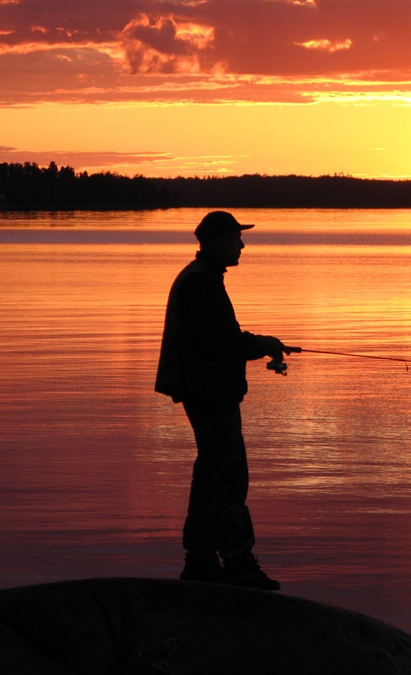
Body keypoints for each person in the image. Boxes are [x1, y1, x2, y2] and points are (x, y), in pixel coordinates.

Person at [155, 211, 297, 590]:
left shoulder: (203, 278)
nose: (243, 245)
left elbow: (219, 338)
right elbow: (217, 343)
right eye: (237, 238)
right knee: (229, 478)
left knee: (209, 477)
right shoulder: (200, 283)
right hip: (208, 393)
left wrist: (259, 343)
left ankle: (200, 560)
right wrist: (261, 344)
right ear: (218, 242)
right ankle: (238, 563)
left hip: (207, 391)